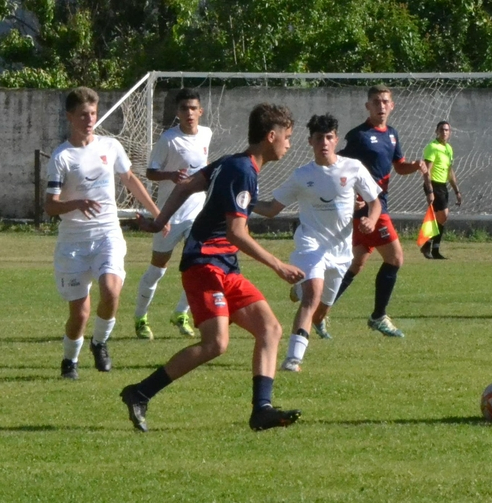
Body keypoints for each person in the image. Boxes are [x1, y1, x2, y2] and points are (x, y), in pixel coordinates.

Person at [121, 103, 304, 432]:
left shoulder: (233, 162)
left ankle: (261, 409)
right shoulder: (243, 171)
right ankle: (140, 392)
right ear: (271, 136)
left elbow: (185, 185)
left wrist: (160, 222)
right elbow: (236, 232)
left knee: (271, 329)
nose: (288, 144)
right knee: (215, 343)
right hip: (204, 264)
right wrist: (277, 265)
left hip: (225, 267)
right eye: (287, 137)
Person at [45, 87, 162, 380]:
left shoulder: (110, 147)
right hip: (73, 241)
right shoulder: (62, 157)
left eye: (94, 114)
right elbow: (50, 206)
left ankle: (100, 342)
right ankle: (70, 360)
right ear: (70, 116)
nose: (89, 119)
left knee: (111, 290)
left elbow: (130, 179)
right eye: (83, 114)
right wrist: (76, 203)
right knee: (80, 313)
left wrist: (158, 213)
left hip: (107, 233)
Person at [254, 114, 382, 370]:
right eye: (319, 138)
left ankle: (300, 290)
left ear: (335, 139)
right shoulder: (302, 175)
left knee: (321, 310)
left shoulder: (353, 167)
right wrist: (241, 200)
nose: (324, 142)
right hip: (310, 245)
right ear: (310, 141)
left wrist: (371, 219)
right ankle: (293, 359)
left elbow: (375, 201)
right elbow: (271, 209)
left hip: (341, 252)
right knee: (311, 298)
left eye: (329, 137)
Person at [332, 84, 428, 338]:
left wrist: (415, 165)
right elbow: (339, 166)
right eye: (376, 102)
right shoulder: (359, 136)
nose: (381, 106)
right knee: (395, 258)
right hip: (369, 210)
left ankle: (317, 310)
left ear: (392, 105)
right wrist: (353, 195)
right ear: (368, 106)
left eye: (385, 101)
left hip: (379, 205)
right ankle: (378, 317)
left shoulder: (392, 134)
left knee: (355, 263)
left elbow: (398, 167)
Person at [134, 88, 212, 339]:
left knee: (202, 265)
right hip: (170, 215)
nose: (189, 113)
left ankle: (181, 312)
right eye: (183, 109)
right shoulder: (169, 139)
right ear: (177, 113)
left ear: (200, 111)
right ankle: (141, 318)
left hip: (197, 213)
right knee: (158, 269)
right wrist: (170, 175)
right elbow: (150, 172)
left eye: (193, 108)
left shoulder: (207, 134)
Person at [420, 121, 461, 259]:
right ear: (436, 131)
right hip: (433, 184)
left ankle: (433, 248)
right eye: (442, 130)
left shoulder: (448, 149)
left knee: (441, 219)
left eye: (447, 130)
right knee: (443, 215)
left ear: (450, 133)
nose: (444, 132)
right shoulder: (432, 147)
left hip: (442, 186)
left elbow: (450, 171)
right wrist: (429, 190)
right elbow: (427, 171)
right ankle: (428, 244)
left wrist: (457, 191)